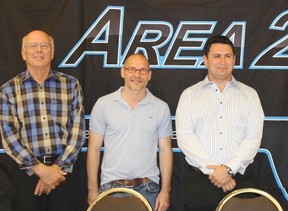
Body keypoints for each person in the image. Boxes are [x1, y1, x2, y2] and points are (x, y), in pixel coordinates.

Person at [175, 35, 265, 211]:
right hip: (200, 184)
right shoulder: (190, 95)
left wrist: (229, 169)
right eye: (217, 56)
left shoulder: (250, 95)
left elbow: (253, 137)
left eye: (228, 56)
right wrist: (216, 172)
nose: (222, 61)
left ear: (234, 59)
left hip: (239, 181)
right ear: (205, 60)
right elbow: (185, 136)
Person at [0, 30, 86, 211]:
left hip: (63, 175)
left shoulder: (71, 85)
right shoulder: (8, 90)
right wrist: (39, 169)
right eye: (33, 46)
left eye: (44, 45)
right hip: (26, 176)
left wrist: (56, 171)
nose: (39, 50)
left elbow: (77, 131)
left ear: (52, 52)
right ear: (24, 53)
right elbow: (9, 135)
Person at [86, 54, 173, 211]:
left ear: (149, 75)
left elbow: (166, 150)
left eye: (142, 70)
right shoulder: (103, 104)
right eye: (132, 69)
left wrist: (165, 190)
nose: (137, 75)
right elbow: (93, 149)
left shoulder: (161, 107)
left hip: (149, 189)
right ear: (123, 72)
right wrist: (92, 189)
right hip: (111, 188)